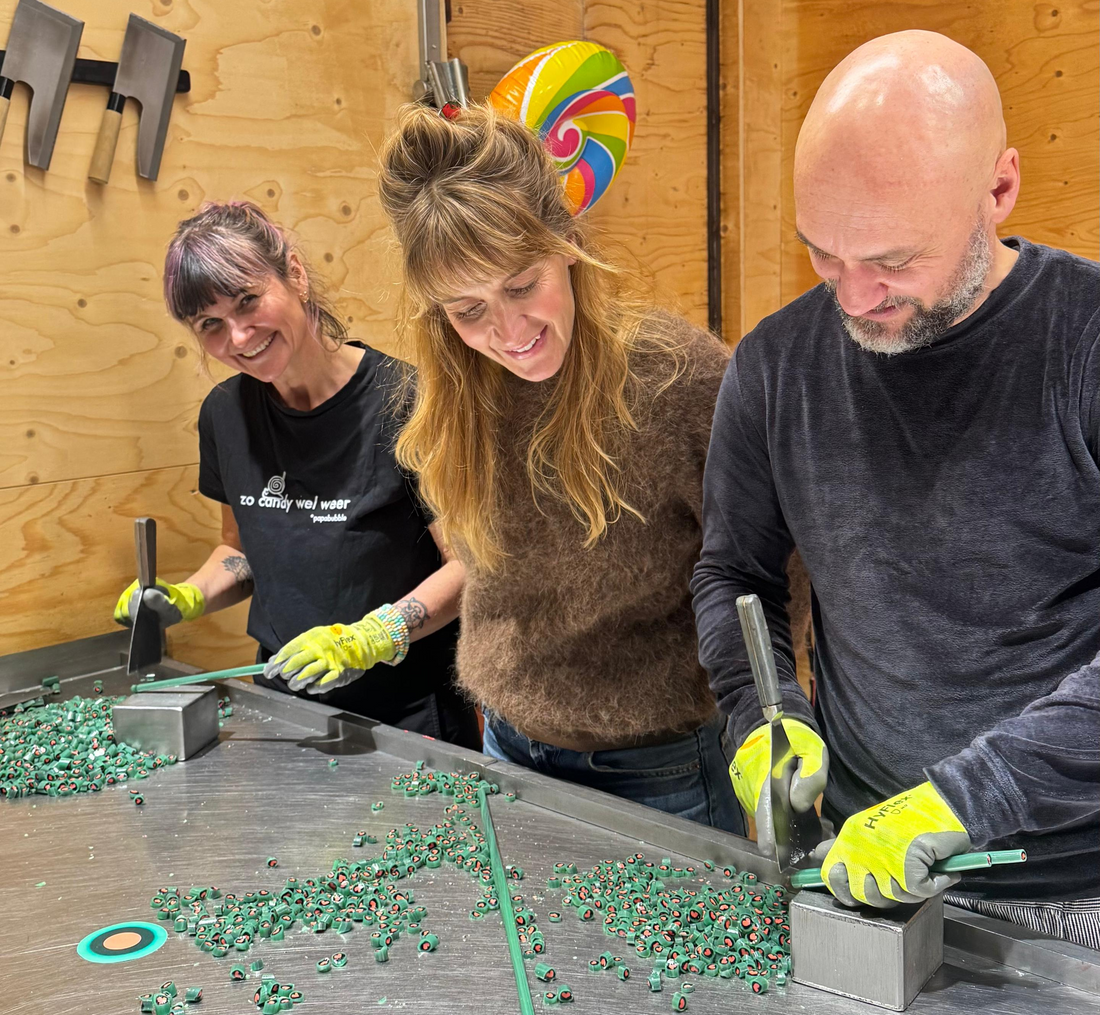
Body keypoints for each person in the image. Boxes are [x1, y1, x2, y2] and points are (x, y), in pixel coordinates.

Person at [692, 29, 1100, 947]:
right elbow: (733, 575)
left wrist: (966, 798)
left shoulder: (1084, 345)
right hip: (863, 863)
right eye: (822, 256)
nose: (854, 298)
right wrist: (764, 715)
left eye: (891, 261)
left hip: (1076, 882)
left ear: (998, 189)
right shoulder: (773, 368)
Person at [363, 101, 743, 832]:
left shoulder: (678, 379)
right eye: (467, 309)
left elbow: (762, 568)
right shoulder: (453, 404)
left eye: (519, 284)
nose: (508, 333)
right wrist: (394, 622)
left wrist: (774, 708)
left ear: (565, 240)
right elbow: (490, 569)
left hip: (656, 767)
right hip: (507, 744)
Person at [113, 201, 480, 750]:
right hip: (283, 705)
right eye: (210, 324)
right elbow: (239, 552)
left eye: (248, 300)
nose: (238, 337)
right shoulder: (224, 414)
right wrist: (186, 598)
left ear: (296, 275)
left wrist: (377, 634)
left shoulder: (410, 402)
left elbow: (470, 565)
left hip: (409, 712)